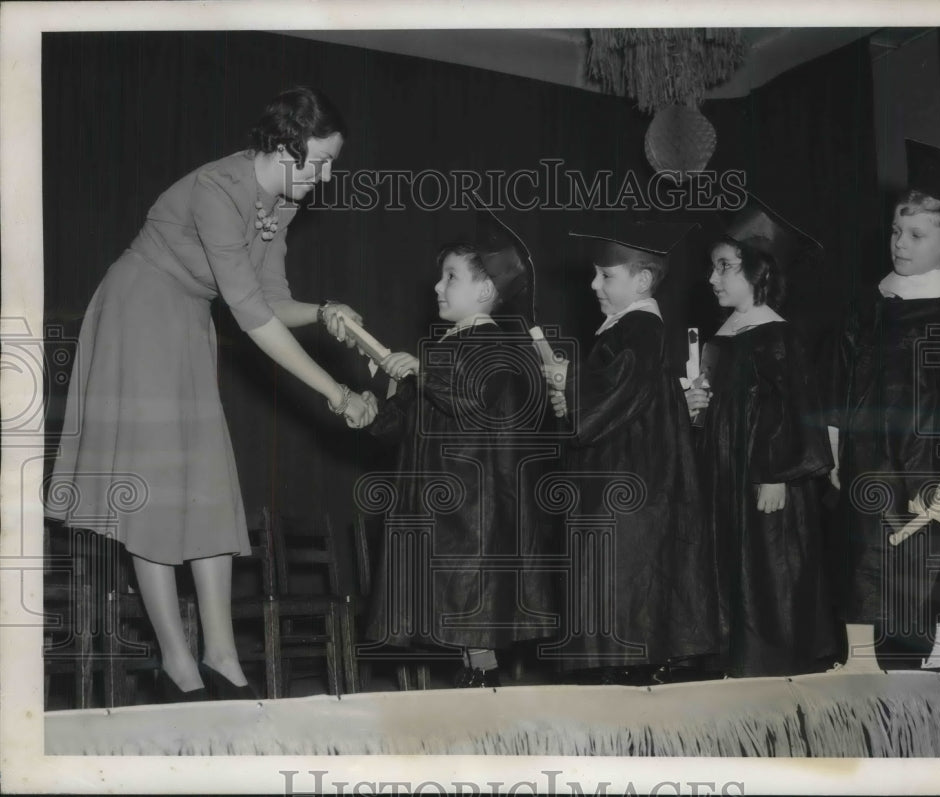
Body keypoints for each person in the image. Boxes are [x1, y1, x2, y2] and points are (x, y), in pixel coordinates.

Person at [45, 86, 376, 702]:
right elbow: (252, 317)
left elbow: (272, 297)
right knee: (154, 487)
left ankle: (222, 654)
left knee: (207, 482)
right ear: (283, 147)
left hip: (189, 319)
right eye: (321, 161)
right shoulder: (216, 192)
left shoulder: (281, 199)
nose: (327, 177)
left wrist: (324, 310)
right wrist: (335, 391)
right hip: (139, 308)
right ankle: (180, 664)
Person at [364, 208, 557, 687]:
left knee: (472, 607)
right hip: (438, 506)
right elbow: (396, 429)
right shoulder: (443, 348)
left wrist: (420, 374)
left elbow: (469, 397)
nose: (437, 287)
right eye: (440, 276)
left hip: (474, 507)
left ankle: (485, 682)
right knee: (451, 611)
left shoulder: (497, 348)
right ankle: (475, 686)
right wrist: (372, 401)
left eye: (451, 277)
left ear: (486, 291)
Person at [829, 140, 940, 672]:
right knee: (863, 558)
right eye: (896, 230)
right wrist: (834, 450)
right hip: (869, 458)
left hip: (930, 462)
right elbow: (843, 383)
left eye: (917, 234)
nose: (900, 243)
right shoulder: (870, 306)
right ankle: (861, 661)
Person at [550, 223, 720, 686]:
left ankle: (625, 675)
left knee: (622, 586)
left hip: (627, 487)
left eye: (606, 276)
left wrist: (570, 382)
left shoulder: (640, 328)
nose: (594, 286)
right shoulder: (628, 329)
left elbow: (615, 391)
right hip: (628, 479)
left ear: (642, 281)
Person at [685, 198, 837, 678]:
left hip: (767, 482)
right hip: (724, 476)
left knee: (768, 572)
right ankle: (730, 661)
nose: (713, 279)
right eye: (713, 268)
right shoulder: (725, 334)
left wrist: (779, 475)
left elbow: (798, 415)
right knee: (729, 564)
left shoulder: (779, 336)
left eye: (724, 268)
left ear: (758, 271)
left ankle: (771, 666)